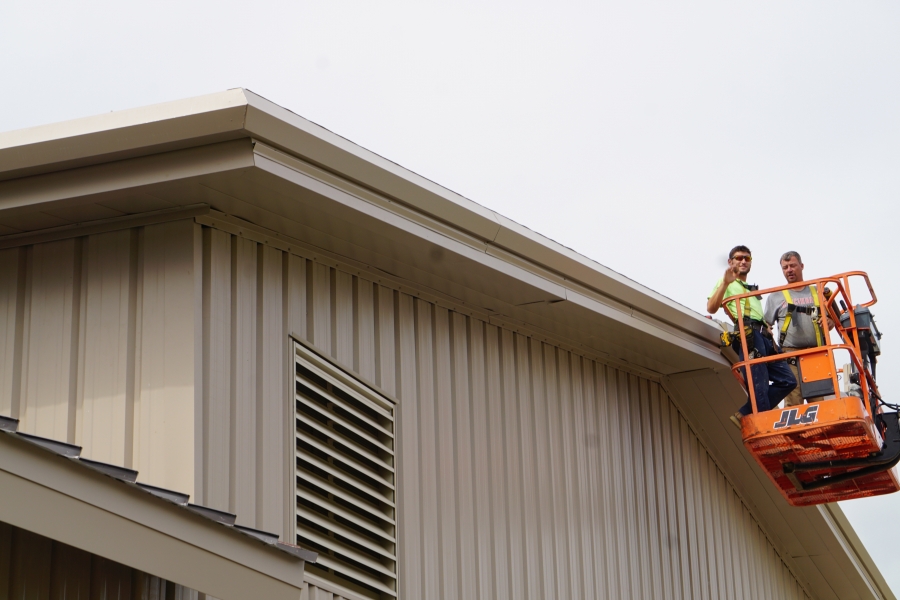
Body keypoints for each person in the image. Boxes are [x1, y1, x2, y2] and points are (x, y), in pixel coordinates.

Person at [707, 245, 796, 429]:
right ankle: (761, 426)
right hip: (749, 335)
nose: (743, 261)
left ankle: (746, 412)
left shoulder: (749, 289)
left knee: (788, 380)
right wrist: (724, 282)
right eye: (739, 258)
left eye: (747, 258)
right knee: (759, 384)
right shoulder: (727, 283)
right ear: (730, 262)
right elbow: (711, 307)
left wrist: (767, 329)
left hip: (764, 336)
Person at [764, 251, 833, 407]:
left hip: (815, 354)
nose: (789, 270)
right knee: (794, 403)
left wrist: (829, 322)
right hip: (790, 356)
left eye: (793, 266)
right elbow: (766, 324)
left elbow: (832, 319)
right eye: (785, 267)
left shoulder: (817, 291)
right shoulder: (775, 297)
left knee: (819, 404)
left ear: (801, 266)